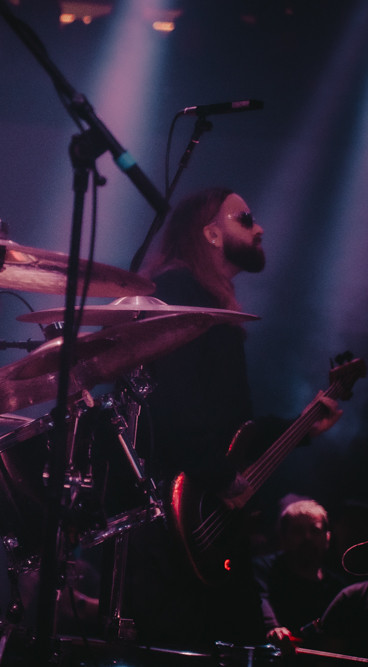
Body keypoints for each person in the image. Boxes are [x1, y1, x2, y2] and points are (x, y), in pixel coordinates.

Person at [119, 187, 342, 650]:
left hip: (204, 516)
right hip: (176, 518)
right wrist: (221, 476)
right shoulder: (180, 291)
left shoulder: (213, 300)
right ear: (211, 234)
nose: (259, 228)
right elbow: (171, 400)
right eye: (244, 218)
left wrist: (301, 427)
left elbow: (233, 429)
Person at [252, 498, 347, 648]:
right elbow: (260, 600)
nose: (307, 537)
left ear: (327, 538)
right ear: (283, 537)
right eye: (298, 531)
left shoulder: (337, 587)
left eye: (315, 530)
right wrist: (273, 629)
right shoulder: (263, 569)